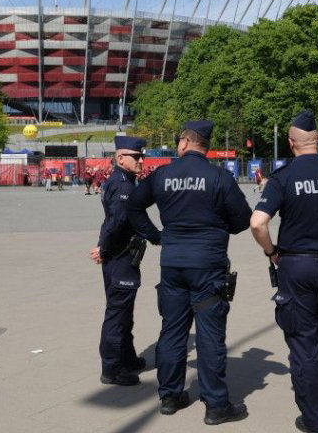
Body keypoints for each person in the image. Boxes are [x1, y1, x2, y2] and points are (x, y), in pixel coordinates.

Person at [127, 120, 251, 425]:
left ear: (184, 143)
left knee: (172, 330)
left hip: (173, 263)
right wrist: (219, 228)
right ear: (204, 146)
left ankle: (170, 396)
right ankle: (215, 405)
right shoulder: (219, 177)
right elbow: (243, 220)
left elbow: (133, 206)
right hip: (208, 264)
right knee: (210, 335)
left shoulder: (162, 175)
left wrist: (155, 235)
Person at [249, 111, 318, 432]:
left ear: (291, 142)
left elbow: (257, 222)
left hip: (296, 265)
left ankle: (316, 419)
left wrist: (271, 252)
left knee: (303, 343)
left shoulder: (284, 176)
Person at [90, 136, 150, 386]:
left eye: (141, 156)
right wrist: (103, 248)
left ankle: (127, 357)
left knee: (124, 309)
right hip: (120, 255)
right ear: (120, 158)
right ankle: (112, 368)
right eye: (136, 156)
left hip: (120, 254)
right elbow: (117, 221)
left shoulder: (122, 180)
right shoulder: (124, 186)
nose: (141, 160)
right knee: (117, 312)